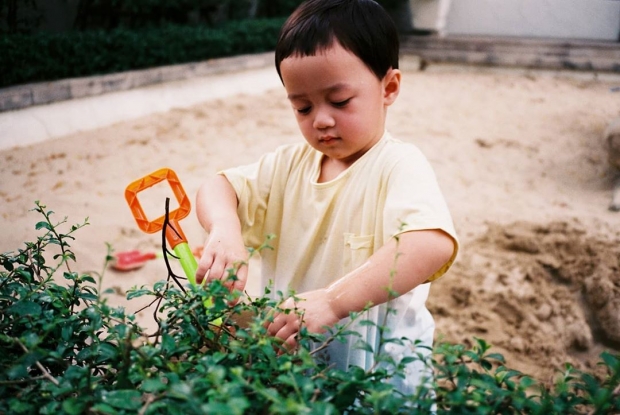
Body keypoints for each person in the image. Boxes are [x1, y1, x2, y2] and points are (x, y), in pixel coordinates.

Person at [195, 0, 458, 394]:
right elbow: (219, 186)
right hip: (297, 370)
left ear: (389, 88)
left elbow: (430, 244)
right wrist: (225, 227)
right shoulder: (288, 164)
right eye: (302, 107)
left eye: (339, 101)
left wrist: (334, 301)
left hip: (380, 381)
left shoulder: (398, 165)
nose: (320, 119)